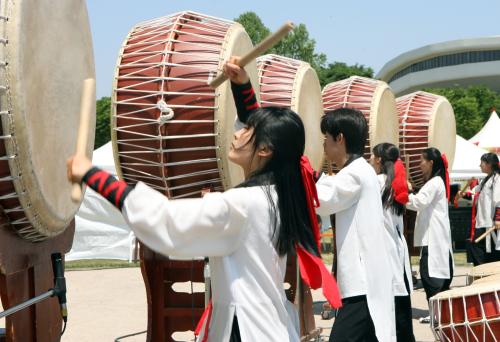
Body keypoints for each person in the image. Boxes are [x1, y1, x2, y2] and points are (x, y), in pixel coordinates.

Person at [67, 58, 341, 342]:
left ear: (265, 150)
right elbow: (263, 131)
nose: (237, 133)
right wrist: (242, 87)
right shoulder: (282, 194)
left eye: (247, 131)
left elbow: (166, 222)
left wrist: (93, 176)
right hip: (269, 326)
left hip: (246, 330)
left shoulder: (242, 204)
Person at [315, 108, 396, 342]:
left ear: (339, 138)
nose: (323, 145)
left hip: (361, 284)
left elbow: (324, 199)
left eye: (325, 138)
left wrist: (301, 172)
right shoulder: (359, 171)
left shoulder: (355, 173)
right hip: (363, 282)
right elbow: (330, 190)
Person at [369, 143, 415, 342]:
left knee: (389, 303)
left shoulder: (376, 182)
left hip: (385, 249)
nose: (370, 159)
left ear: (379, 159)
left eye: (372, 156)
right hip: (396, 247)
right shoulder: (395, 181)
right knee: (400, 302)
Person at [406, 147, 454, 323]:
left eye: (421, 161)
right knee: (431, 275)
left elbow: (419, 202)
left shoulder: (434, 183)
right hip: (434, 236)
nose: (419, 165)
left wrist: (402, 194)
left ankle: (438, 315)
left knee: (430, 276)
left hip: (433, 237)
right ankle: (437, 314)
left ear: (431, 163)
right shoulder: (436, 182)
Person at [459, 153, 500, 264]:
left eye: (482, 163)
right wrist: (462, 194)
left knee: (483, 250)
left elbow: (498, 200)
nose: (480, 165)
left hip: (491, 223)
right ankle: (484, 275)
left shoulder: (497, 179)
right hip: (482, 222)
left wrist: (498, 218)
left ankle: (487, 275)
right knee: (479, 249)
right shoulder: (485, 180)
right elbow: (475, 195)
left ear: (489, 164)